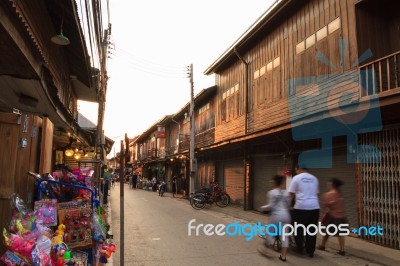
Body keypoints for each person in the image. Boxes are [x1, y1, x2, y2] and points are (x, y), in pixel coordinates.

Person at [288, 163, 320, 257]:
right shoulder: (315, 178)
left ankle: (300, 248)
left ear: (299, 169)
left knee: (298, 229)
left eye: (296, 170)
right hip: (314, 207)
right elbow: (316, 194)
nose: (295, 172)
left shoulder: (296, 178)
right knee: (312, 230)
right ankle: (310, 251)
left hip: (301, 207)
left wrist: (289, 206)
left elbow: (291, 194)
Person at [263, 175, 291, 262]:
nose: (270, 183)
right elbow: (288, 205)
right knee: (285, 236)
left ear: (274, 182)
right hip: (286, 215)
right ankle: (283, 256)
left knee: (270, 233)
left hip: (276, 215)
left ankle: (270, 251)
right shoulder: (286, 193)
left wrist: (263, 207)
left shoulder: (271, 192)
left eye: (271, 181)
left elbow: (271, 206)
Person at [317, 178, 347, 256]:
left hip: (332, 216)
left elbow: (325, 204)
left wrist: (323, 212)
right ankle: (342, 249)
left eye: (329, 184)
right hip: (342, 216)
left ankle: (322, 245)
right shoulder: (340, 194)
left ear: (332, 185)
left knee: (327, 231)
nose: (328, 186)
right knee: (340, 233)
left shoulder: (329, 194)